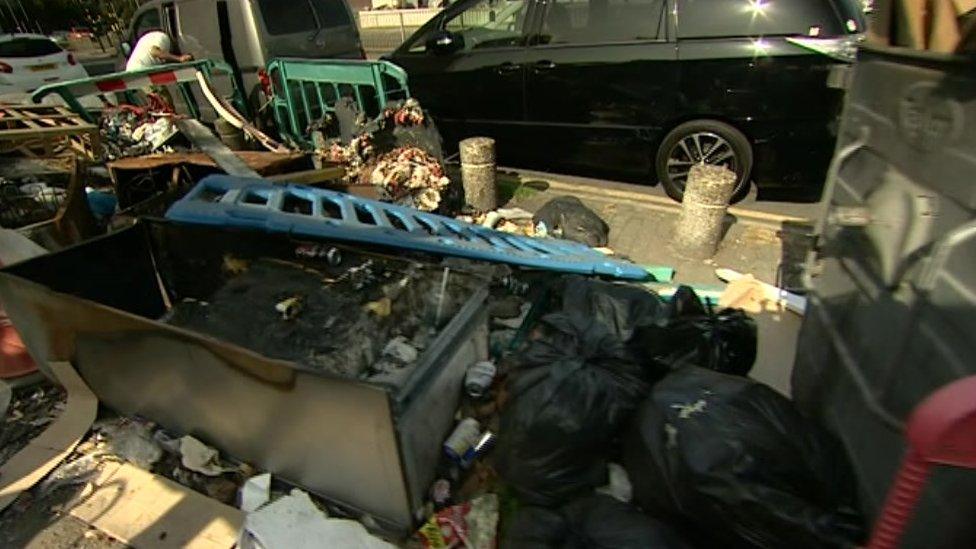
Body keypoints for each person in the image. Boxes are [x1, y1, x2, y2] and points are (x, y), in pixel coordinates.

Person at [125, 29, 192, 71]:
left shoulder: (153, 37)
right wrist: (179, 58)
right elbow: (154, 52)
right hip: (140, 70)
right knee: (159, 92)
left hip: (133, 69)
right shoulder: (163, 38)